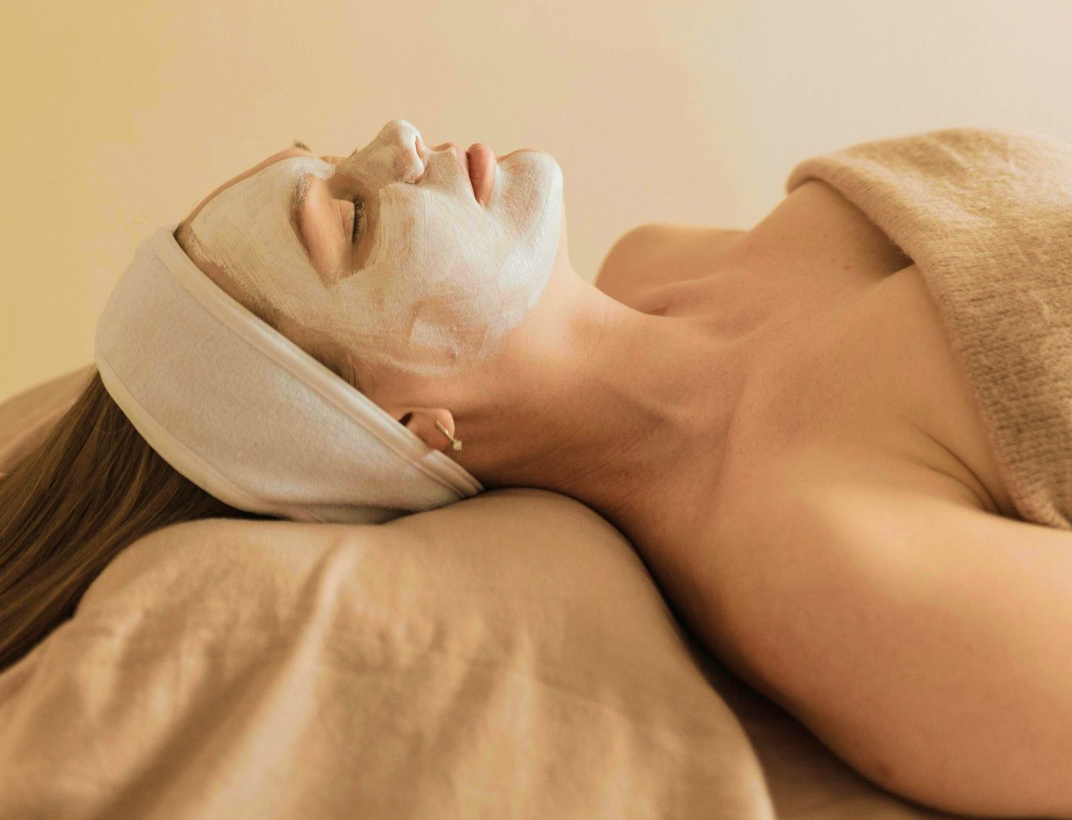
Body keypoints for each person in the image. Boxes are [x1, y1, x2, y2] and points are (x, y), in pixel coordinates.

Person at [3, 117, 1071, 817]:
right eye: (353, 217)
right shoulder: (814, 556)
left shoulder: (661, 257)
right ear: (416, 424)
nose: (395, 138)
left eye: (328, 159)